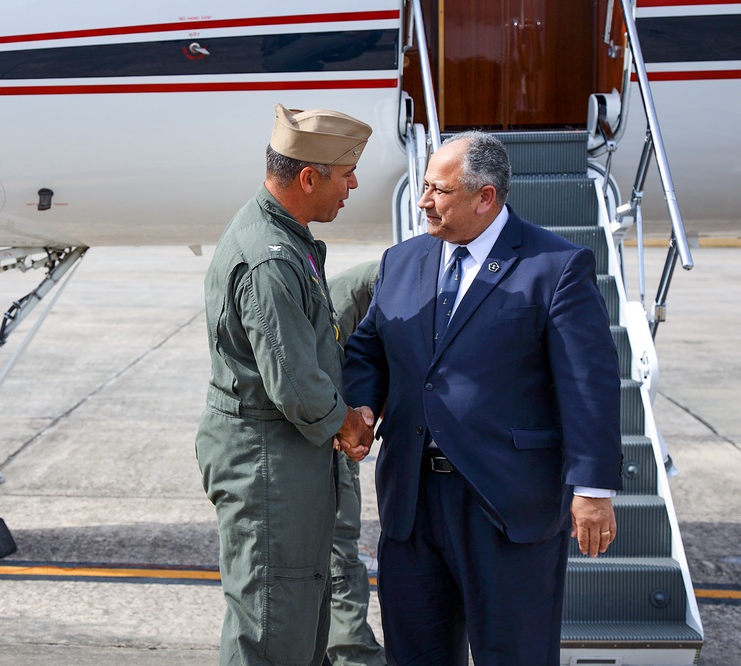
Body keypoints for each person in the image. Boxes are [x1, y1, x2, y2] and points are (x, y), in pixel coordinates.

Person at [342, 131, 623, 665]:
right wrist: (362, 406)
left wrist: (593, 487)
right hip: (412, 502)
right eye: (424, 187)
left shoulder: (556, 266)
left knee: (513, 654)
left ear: (485, 197)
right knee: (416, 652)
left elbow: (588, 382)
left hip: (504, 502)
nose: (423, 201)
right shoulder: (402, 261)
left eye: (437, 190)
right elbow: (369, 347)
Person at [195, 103, 375, 665]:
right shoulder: (269, 259)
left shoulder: (283, 236)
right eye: (345, 175)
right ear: (307, 177)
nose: (352, 185)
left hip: (284, 456)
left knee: (300, 622)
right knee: (273, 629)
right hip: (268, 463)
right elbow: (295, 383)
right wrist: (348, 424)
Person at [325, 261, 387, 666]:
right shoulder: (346, 304)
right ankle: (353, 653)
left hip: (339, 428)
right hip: (330, 436)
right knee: (338, 550)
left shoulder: (374, 289)